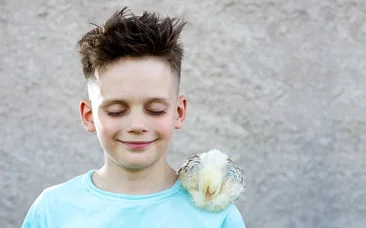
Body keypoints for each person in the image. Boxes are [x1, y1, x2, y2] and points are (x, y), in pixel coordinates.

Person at [21, 6, 246, 228]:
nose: (137, 125)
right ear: (89, 116)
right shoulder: (52, 210)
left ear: (179, 112)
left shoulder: (216, 216)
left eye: (156, 110)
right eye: (116, 111)